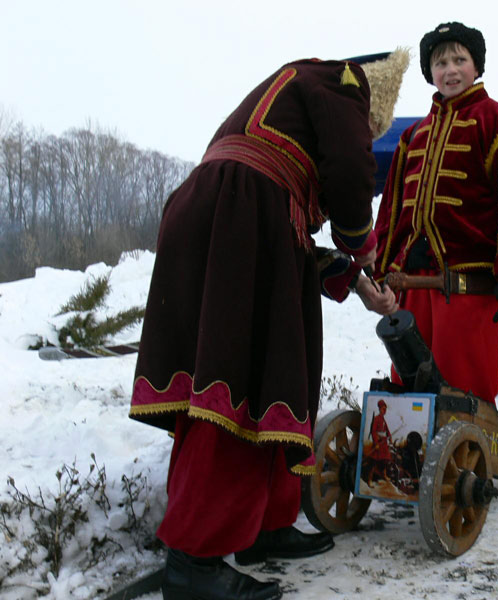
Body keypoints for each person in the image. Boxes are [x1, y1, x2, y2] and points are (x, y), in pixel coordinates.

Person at [128, 50, 408, 600]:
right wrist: (364, 247)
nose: (366, 132)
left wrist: (353, 278)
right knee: (235, 387)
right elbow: (349, 171)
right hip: (240, 217)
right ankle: (194, 563)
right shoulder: (346, 83)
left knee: (270, 378)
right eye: (371, 128)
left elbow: (295, 242)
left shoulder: (287, 115)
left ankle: (262, 526)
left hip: (223, 214)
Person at [373, 22, 498, 404]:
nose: (450, 70)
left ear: (476, 66)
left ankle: (469, 442)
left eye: (459, 60)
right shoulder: (412, 137)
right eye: (440, 63)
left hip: (469, 290)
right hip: (413, 287)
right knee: (409, 386)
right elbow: (392, 211)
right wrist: (383, 268)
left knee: (463, 390)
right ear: (430, 72)